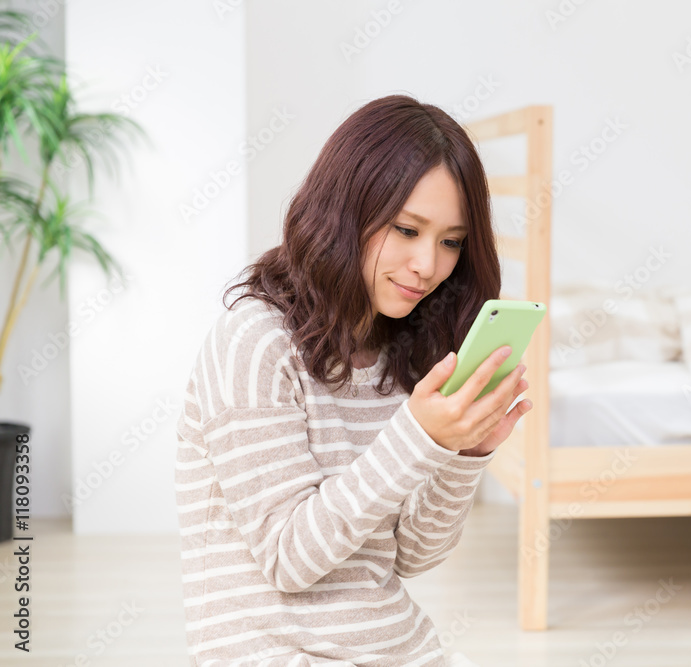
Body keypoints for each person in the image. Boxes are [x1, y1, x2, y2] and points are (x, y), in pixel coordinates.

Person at [174, 94, 532, 666]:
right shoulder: (254, 342)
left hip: (400, 648)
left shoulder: (400, 349)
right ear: (345, 210)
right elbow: (289, 558)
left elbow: (411, 556)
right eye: (407, 229)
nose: (428, 265)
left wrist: (463, 455)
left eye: (450, 241)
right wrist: (418, 436)